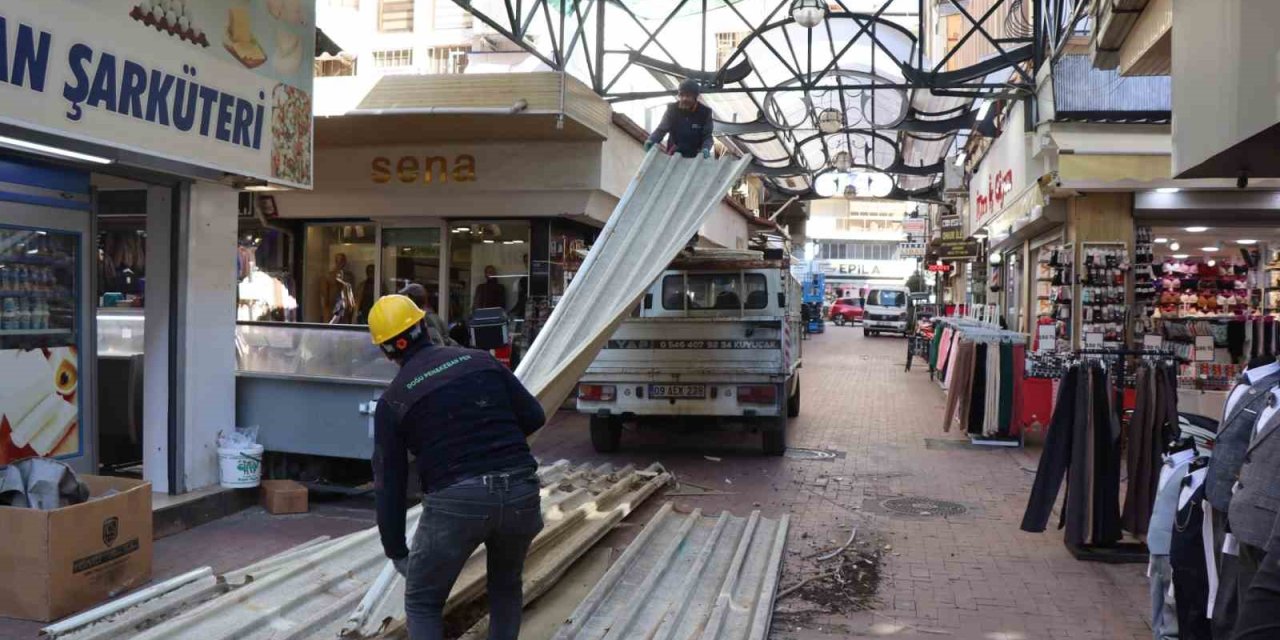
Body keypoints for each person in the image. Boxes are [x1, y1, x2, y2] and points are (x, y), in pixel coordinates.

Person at [367, 294, 545, 640]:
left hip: (456, 502)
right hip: (521, 491)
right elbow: (534, 415)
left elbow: (389, 482)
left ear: (386, 351)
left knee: (422, 601)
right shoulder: (481, 361)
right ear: (425, 325)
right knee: (506, 584)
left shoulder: (394, 401)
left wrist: (396, 549)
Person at [645, 79, 715, 159]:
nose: (684, 99)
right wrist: (652, 140)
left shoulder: (705, 112)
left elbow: (707, 136)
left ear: (695, 97)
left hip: (694, 157)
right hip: (673, 154)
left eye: (688, 96)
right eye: (682, 95)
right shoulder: (672, 109)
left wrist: (706, 148)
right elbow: (661, 129)